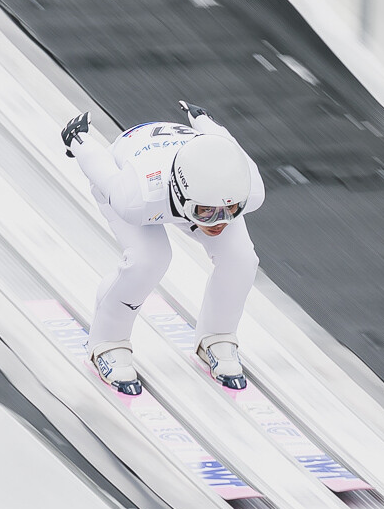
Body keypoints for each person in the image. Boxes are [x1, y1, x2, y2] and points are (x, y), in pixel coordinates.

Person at [62, 101, 263, 395]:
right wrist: (79, 140)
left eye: (231, 210)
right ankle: (107, 342)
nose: (219, 222)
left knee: (241, 259)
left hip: (185, 166)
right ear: (180, 195)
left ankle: (218, 335)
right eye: (206, 213)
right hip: (131, 172)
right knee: (148, 260)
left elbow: (225, 143)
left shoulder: (248, 187)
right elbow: (101, 168)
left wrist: (203, 120)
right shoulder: (136, 196)